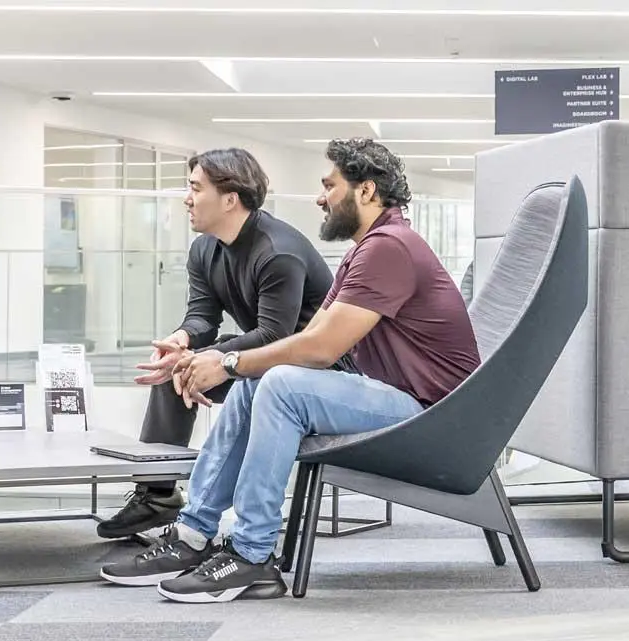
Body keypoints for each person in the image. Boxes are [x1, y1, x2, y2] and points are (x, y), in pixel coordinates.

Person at [99, 139, 479, 602]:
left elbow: (320, 350)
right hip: (396, 395)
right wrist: (234, 365)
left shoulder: (389, 248)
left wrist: (229, 361)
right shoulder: (368, 248)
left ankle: (253, 554)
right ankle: (194, 533)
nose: (320, 198)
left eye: (329, 186)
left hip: (436, 414)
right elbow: (307, 337)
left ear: (365, 191)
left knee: (276, 382)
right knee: (262, 376)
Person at [101, 147, 334, 540]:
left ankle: (222, 515)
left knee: (197, 364)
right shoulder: (204, 248)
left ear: (230, 198)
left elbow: (277, 335)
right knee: (176, 367)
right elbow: (203, 316)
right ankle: (157, 496)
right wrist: (184, 339)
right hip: (262, 355)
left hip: (310, 366)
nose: (187, 199)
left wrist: (210, 358)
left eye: (196, 188)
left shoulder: (277, 251)